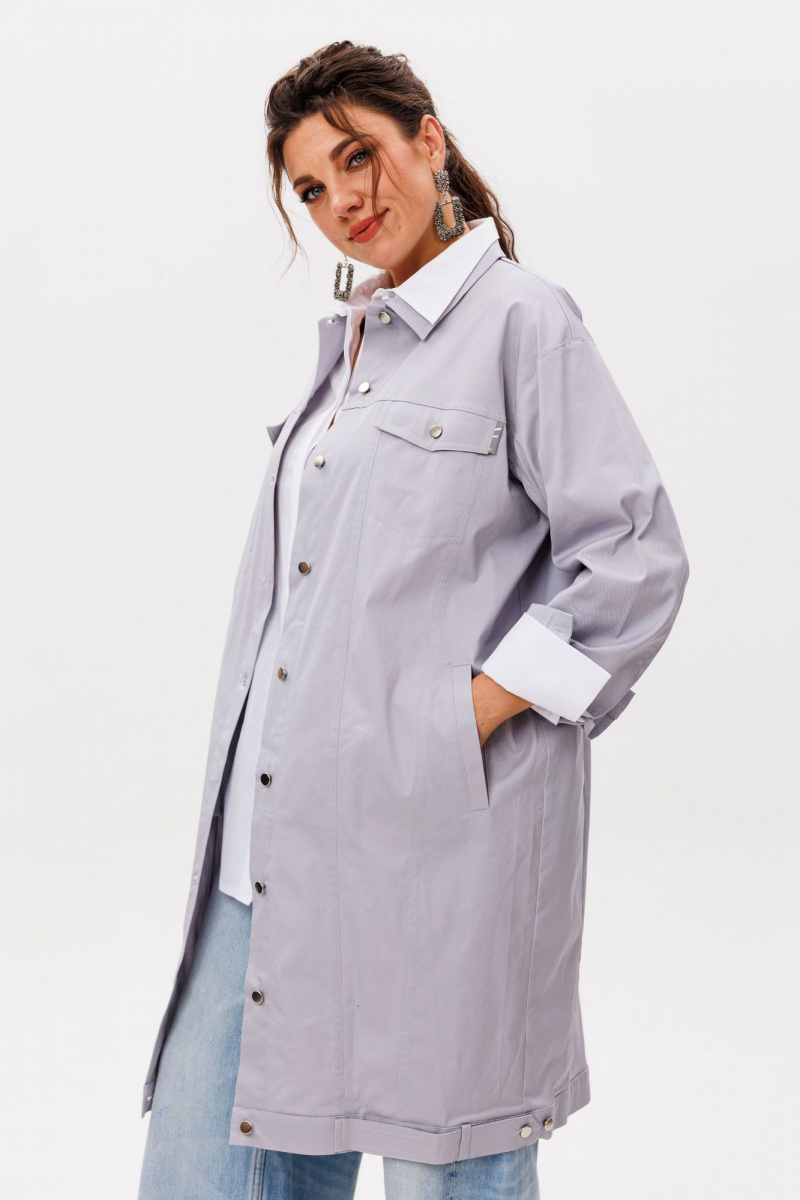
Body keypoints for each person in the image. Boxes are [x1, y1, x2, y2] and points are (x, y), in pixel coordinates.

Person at [137, 39, 690, 1200]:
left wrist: (458, 717)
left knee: (449, 1165)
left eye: (359, 157)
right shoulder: (350, 348)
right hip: (267, 856)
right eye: (310, 187)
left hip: (433, 856)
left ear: (426, 141)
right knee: (207, 1165)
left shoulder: (521, 322)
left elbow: (633, 556)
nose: (342, 200)